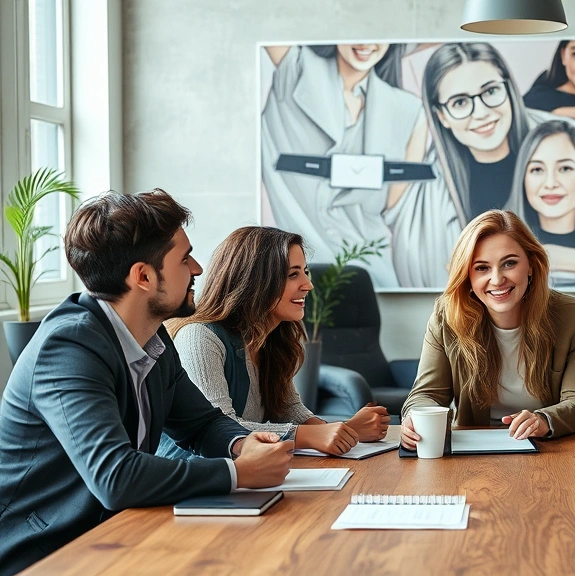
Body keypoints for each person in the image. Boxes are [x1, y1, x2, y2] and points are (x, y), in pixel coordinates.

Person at [0, 191, 292, 575]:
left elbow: (201, 423)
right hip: (47, 553)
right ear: (143, 276)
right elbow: (115, 477)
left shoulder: (153, 340)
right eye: (184, 258)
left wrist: (240, 443)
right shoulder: (68, 347)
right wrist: (238, 473)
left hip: (119, 535)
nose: (199, 269)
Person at [385, 42, 575, 288]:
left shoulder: (550, 130)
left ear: (509, 89)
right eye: (460, 103)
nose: (482, 113)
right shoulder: (432, 190)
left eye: (490, 92)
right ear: (441, 115)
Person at [156, 226, 389, 461]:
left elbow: (290, 409)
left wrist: (340, 432)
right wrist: (312, 435)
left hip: (248, 475)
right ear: (254, 281)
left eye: (305, 272)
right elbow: (221, 428)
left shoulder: (273, 338)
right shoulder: (199, 337)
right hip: (192, 482)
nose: (308, 285)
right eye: (293, 274)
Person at [400, 210, 575, 448]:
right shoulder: (447, 316)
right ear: (467, 275)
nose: (497, 279)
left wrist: (543, 420)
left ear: (531, 265)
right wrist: (415, 417)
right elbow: (427, 393)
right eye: (482, 268)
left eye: (509, 263)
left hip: (547, 449)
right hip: (472, 447)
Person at [261, 43, 429, 288]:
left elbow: (392, 209)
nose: (366, 43)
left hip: (373, 274)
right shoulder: (297, 70)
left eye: (379, 37)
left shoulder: (409, 110)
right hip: (296, 275)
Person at [505, 120, 575, 288]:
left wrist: (550, 255)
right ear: (523, 178)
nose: (550, 183)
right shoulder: (497, 238)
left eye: (565, 168)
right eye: (537, 170)